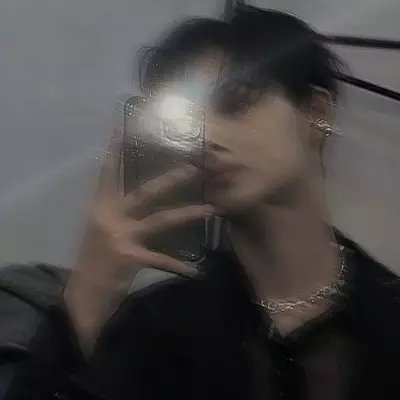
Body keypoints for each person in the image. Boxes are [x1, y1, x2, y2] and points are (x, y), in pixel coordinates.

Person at [2, 5, 400, 400]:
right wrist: (90, 288)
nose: (206, 137)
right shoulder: (155, 327)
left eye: (236, 103)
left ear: (316, 113)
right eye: (189, 123)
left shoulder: (389, 311)